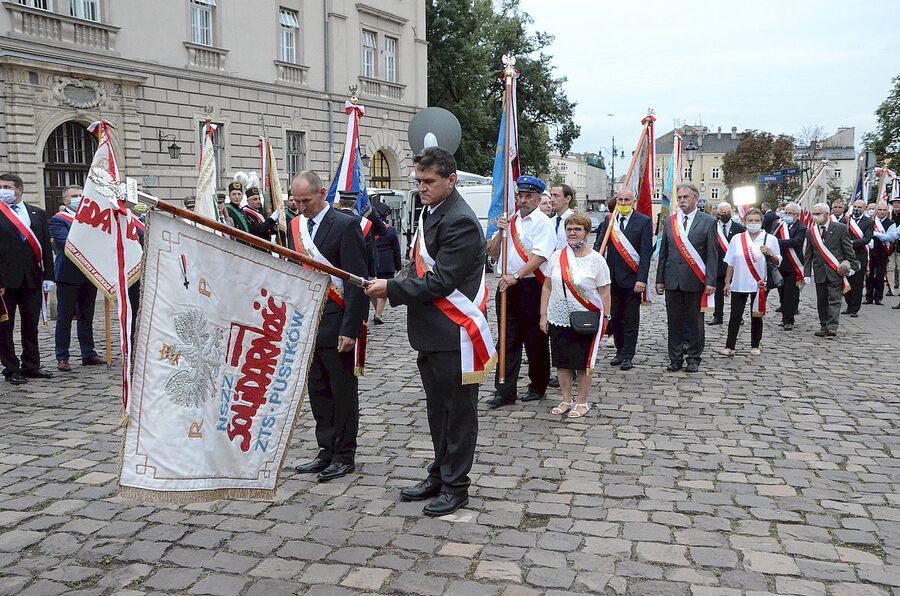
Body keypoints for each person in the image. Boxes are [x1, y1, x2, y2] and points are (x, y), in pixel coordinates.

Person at [365, 147, 490, 517]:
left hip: (455, 333)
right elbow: (417, 267)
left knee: (459, 413)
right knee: (439, 411)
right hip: (431, 333)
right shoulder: (432, 211)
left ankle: (457, 486)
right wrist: (395, 279)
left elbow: (439, 282)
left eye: (429, 182)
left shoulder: (460, 220)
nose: (421, 188)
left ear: (450, 180)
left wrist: (391, 288)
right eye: (418, 181)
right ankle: (439, 473)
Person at [289, 171, 368, 482]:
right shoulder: (296, 227)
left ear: (322, 193)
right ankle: (325, 449)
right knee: (318, 392)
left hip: (338, 323)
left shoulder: (346, 225)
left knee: (342, 392)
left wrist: (351, 329)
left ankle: (344, 453)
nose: (301, 207)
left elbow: (357, 282)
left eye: (306, 201)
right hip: (308, 323)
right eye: (296, 201)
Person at [485, 175, 556, 407]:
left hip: (531, 285)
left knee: (534, 338)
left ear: (537, 199)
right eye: (520, 195)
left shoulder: (543, 223)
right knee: (507, 338)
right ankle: (505, 390)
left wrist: (516, 276)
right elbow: (493, 253)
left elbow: (540, 257)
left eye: (528, 196)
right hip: (507, 285)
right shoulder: (511, 221)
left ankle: (538, 385)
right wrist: (499, 232)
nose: (523, 200)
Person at [539, 212, 611, 418]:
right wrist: (543, 315)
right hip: (559, 317)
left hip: (585, 318)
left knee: (582, 363)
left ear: (586, 233)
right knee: (562, 362)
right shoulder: (556, 256)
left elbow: (605, 291)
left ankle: (582, 402)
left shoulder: (596, 260)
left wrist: (606, 317)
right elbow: (547, 287)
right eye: (569, 229)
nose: (572, 232)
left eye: (577, 229)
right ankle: (566, 399)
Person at [655, 182, 718, 373]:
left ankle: (693, 357)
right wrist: (659, 279)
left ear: (695, 199)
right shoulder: (670, 222)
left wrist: (710, 281)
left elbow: (712, 254)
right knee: (673, 321)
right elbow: (663, 252)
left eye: (686, 197)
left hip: (695, 280)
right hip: (672, 279)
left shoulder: (708, 221)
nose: (682, 200)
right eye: (680, 197)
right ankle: (675, 358)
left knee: (694, 322)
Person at [0, 173, 55, 385]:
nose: (2, 190)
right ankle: (11, 368)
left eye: (6, 186)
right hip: (6, 282)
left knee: (31, 324)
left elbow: (46, 249)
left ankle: (31, 365)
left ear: (19, 190)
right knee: (5, 326)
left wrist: (49, 276)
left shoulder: (38, 214)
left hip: (32, 279)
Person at [592, 188, 652, 370]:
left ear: (633, 201)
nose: (624, 203)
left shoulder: (643, 221)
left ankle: (628, 354)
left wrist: (642, 279)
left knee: (631, 319)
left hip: (633, 280)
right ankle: (619, 351)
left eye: (627, 200)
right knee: (615, 318)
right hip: (611, 279)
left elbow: (645, 253)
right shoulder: (610, 220)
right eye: (620, 200)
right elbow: (599, 244)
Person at [48, 185, 103, 371]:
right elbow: (66, 243)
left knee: (86, 316)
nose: (78, 198)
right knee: (65, 317)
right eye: (74, 196)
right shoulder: (58, 220)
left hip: (90, 274)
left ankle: (88, 353)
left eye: (80, 195)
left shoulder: (92, 218)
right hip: (68, 275)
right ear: (65, 201)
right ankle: (62, 356)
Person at [720, 208, 782, 356]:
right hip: (739, 282)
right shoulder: (737, 239)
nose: (753, 223)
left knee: (756, 315)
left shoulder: (770, 239)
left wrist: (770, 253)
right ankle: (730, 346)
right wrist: (727, 282)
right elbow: (730, 262)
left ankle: (755, 345)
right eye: (750, 220)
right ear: (745, 222)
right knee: (735, 315)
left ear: (761, 222)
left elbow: (778, 261)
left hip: (759, 284)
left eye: (756, 221)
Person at [804, 202, 859, 338]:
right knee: (821, 301)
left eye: (818, 214)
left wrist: (852, 265)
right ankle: (824, 326)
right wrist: (806, 273)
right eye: (814, 214)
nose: (815, 217)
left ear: (827, 215)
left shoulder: (840, 228)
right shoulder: (811, 231)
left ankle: (832, 326)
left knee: (834, 299)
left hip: (835, 270)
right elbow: (808, 254)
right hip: (819, 271)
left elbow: (848, 249)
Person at [708, 201, 746, 326]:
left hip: (734, 266)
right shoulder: (713, 227)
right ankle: (717, 316)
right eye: (723, 213)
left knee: (736, 293)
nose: (725, 215)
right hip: (718, 265)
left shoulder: (739, 228)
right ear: (718, 214)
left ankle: (737, 316)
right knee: (718, 293)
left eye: (728, 212)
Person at [774, 202, 807, 330]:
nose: (786, 215)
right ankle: (784, 317)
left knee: (790, 294)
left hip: (793, 265)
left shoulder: (801, 227)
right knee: (781, 292)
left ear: (797, 215)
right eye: (785, 212)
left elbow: (796, 241)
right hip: (780, 264)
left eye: (790, 213)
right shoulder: (779, 225)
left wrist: (777, 242)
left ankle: (789, 320)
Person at [840, 199, 873, 317]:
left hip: (860, 255)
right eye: (855, 206)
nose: (856, 209)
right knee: (847, 280)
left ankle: (855, 309)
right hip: (847, 255)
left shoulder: (868, 222)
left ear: (864, 209)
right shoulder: (846, 220)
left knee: (857, 283)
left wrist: (851, 242)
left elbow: (867, 239)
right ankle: (848, 305)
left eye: (859, 207)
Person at [372, 214, 402, 325]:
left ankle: (377, 312)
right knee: (382, 291)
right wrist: (398, 266)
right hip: (387, 264)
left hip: (373, 264)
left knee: (372, 289)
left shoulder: (369, 230)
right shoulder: (391, 231)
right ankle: (378, 314)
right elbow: (396, 250)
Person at [865, 201, 896, 306]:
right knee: (869, 275)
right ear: (876, 210)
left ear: (887, 211)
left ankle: (878, 297)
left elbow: (891, 237)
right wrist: (881, 235)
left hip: (883, 252)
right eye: (880, 209)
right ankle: (868, 297)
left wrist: (875, 233)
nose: (882, 212)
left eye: (884, 210)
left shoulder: (891, 223)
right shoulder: (869, 221)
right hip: (870, 251)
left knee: (880, 275)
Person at [549, 184, 575, 249]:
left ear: (568, 199)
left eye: (556, 196)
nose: (551, 200)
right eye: (551, 195)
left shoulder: (575, 221)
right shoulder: (550, 222)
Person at [889, 197, 900, 293]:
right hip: (891, 245)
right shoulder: (890, 215)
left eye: (898, 203)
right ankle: (891, 288)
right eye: (894, 203)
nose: (895, 204)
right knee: (890, 268)